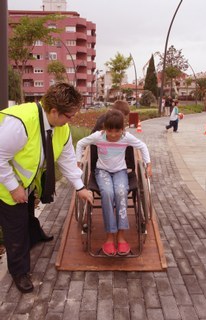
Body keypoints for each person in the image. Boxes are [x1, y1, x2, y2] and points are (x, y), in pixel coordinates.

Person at [0, 83, 93, 293]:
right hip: (4, 182)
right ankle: (19, 271)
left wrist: (80, 188)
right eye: (69, 115)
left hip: (25, 180)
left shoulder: (61, 128)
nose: (72, 120)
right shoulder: (21, 123)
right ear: (54, 111)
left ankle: (34, 236)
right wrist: (13, 188)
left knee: (27, 211)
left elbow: (67, 160)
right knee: (15, 227)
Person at [76, 109, 152, 256]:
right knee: (108, 193)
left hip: (120, 171)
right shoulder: (99, 136)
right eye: (110, 130)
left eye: (117, 131)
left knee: (121, 192)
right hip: (102, 172)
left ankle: (121, 236)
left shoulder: (126, 137)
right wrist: (78, 162)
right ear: (105, 128)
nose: (113, 135)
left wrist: (148, 164)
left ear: (122, 130)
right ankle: (110, 236)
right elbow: (80, 144)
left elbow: (142, 146)